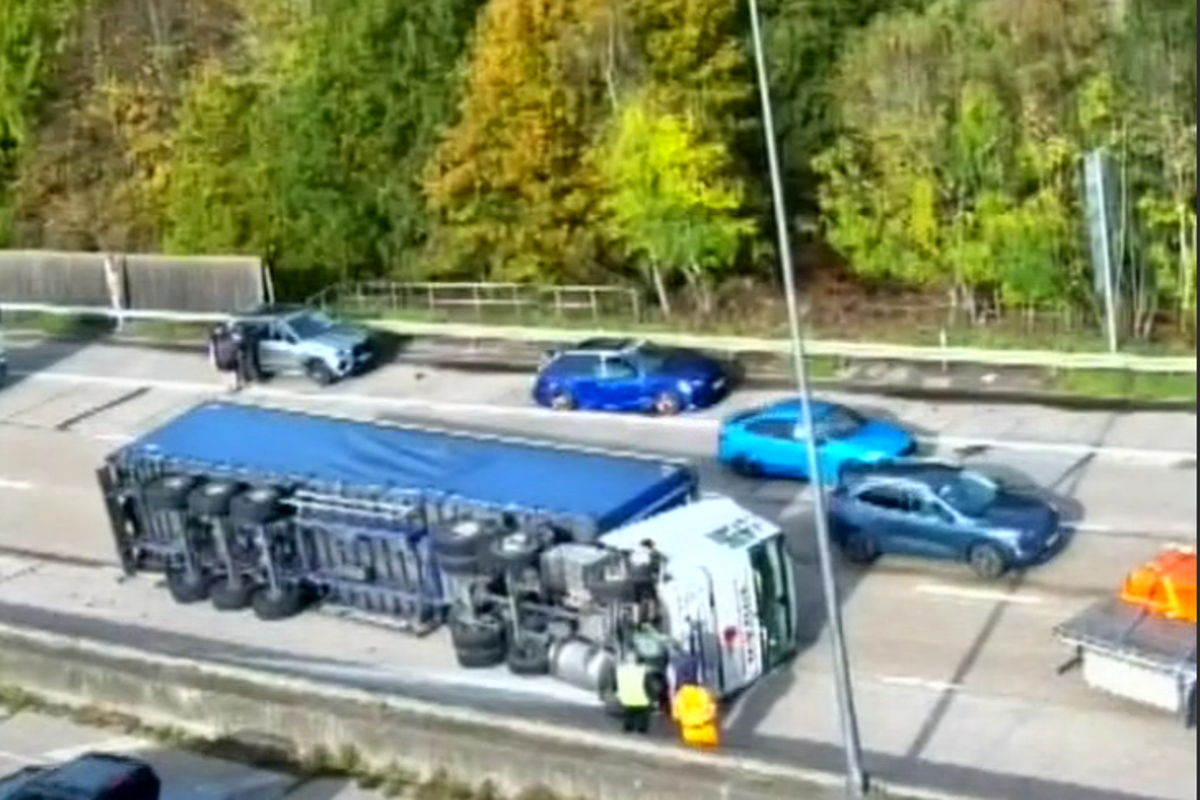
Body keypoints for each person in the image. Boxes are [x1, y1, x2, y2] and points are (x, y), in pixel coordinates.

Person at [614, 652, 655, 735]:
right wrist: (653, 699)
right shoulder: (644, 671)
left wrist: (618, 694)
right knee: (643, 713)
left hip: (626, 698)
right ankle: (641, 729)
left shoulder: (621, 669)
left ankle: (628, 727)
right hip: (641, 699)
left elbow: (616, 684)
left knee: (629, 713)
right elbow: (649, 686)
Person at [672, 679, 720, 749]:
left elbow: (676, 716)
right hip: (707, 735)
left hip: (689, 734)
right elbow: (713, 713)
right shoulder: (705, 693)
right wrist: (702, 720)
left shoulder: (679, 696)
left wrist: (687, 719)